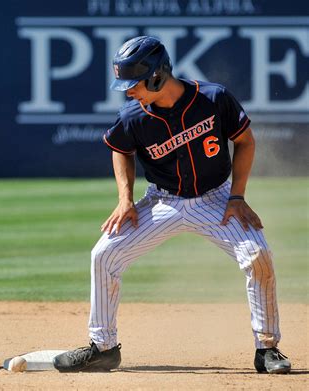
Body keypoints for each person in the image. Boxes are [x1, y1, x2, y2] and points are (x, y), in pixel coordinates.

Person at [53, 36, 291, 374]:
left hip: (216, 199)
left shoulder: (213, 98)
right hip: (163, 200)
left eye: (132, 83)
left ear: (156, 76)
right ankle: (103, 348)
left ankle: (267, 350)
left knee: (258, 256)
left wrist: (237, 196)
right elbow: (120, 149)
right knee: (104, 255)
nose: (126, 91)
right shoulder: (133, 115)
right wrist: (125, 200)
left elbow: (245, 141)